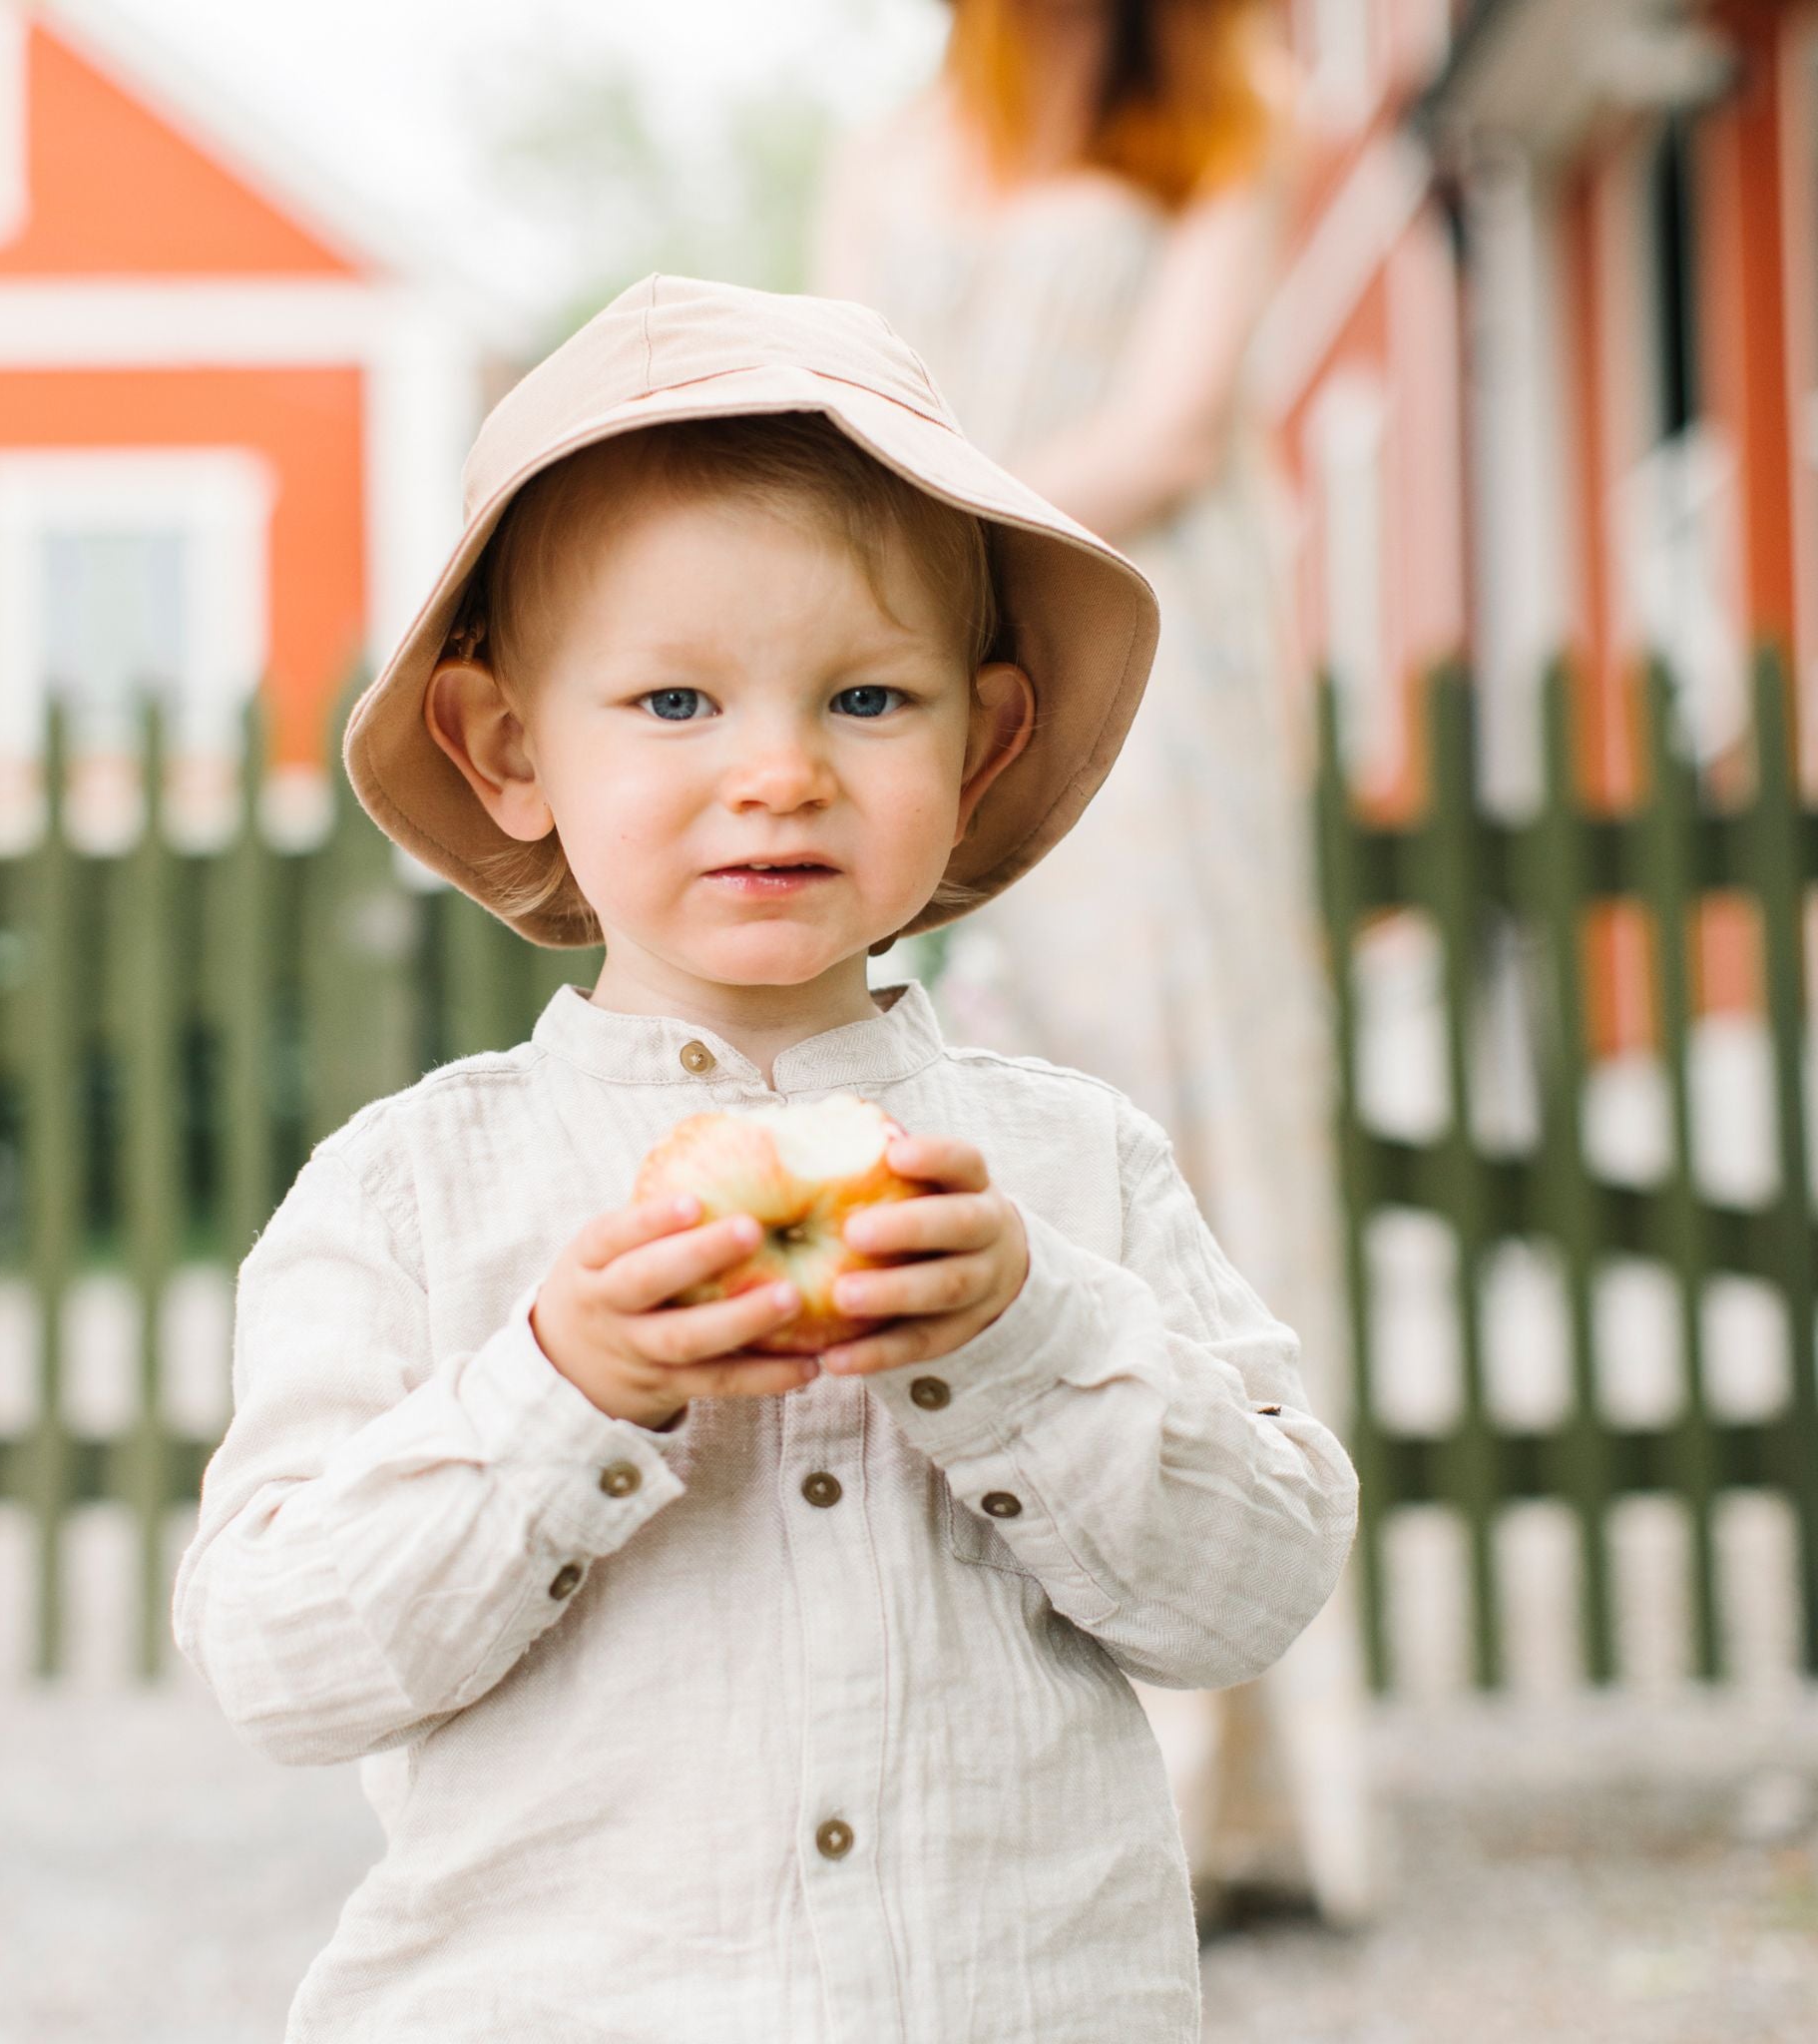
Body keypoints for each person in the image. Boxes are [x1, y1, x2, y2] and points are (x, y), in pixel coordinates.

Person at [171, 273, 1357, 2039]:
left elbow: (1253, 1586)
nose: (781, 771)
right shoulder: (413, 1197)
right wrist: (560, 1389)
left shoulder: (1066, 1169)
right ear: (507, 750)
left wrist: (1023, 1336)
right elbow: (282, 1656)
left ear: (987, 744)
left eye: (870, 700)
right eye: (672, 704)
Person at [811, 0, 1379, 1927]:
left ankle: (1235, 1788)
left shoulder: (1238, 106)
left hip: (1139, 660)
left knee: (1173, 1137)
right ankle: (982, 1758)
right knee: (947, 1121)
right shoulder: (889, 147)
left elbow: (1167, 420)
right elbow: (833, 408)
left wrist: (931, 575)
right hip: (922, 664)